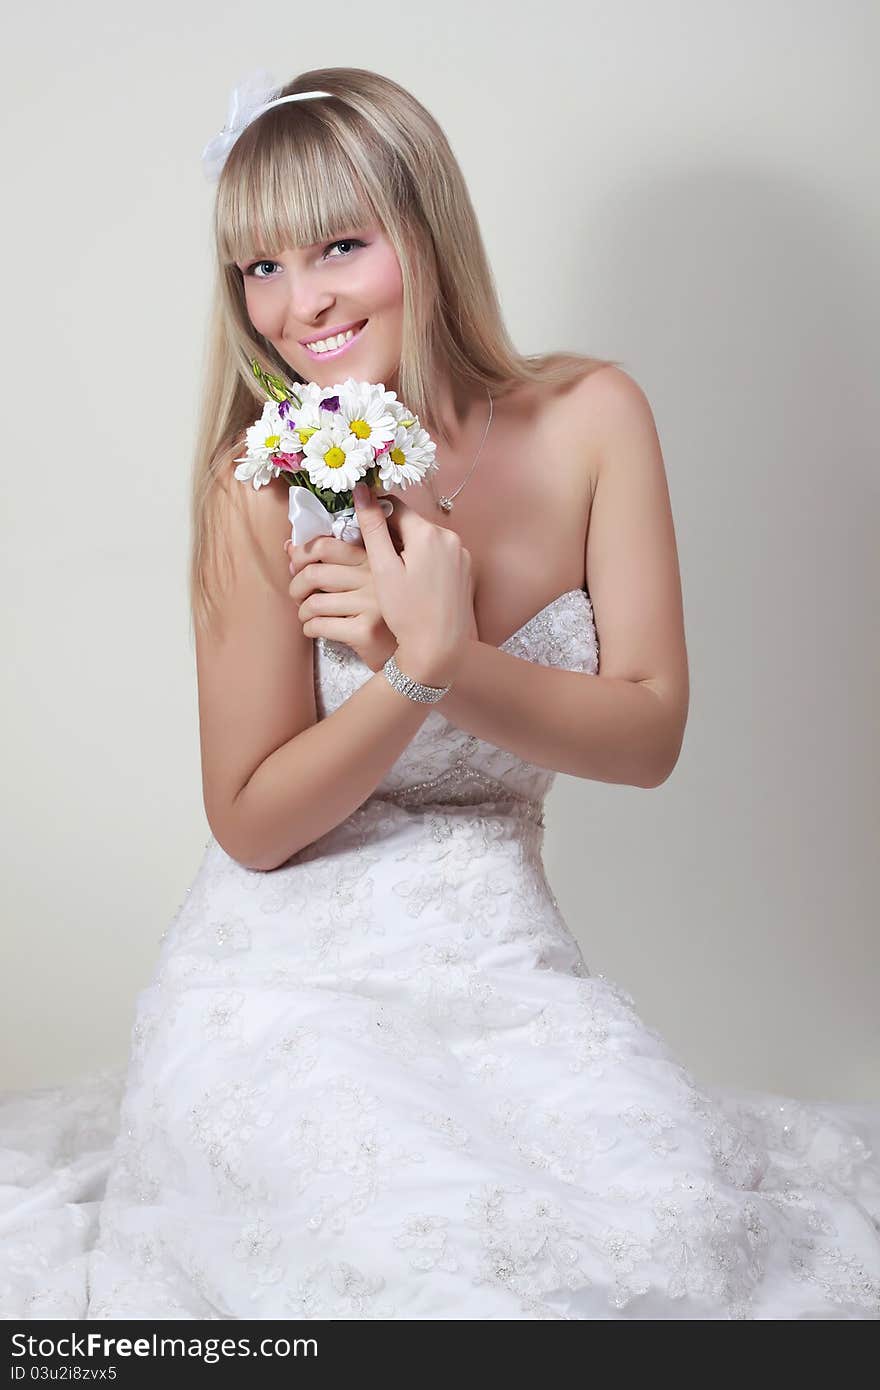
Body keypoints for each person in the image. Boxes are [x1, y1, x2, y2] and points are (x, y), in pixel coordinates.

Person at [2, 65, 879, 1322]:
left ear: (427, 229)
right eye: (257, 268)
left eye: (337, 247)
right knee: (401, 1258)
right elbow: (251, 822)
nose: (297, 305)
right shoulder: (262, 480)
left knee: (654, 1238)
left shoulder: (592, 419)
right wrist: (409, 678)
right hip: (281, 979)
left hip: (507, 964)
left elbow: (647, 735)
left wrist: (450, 657)